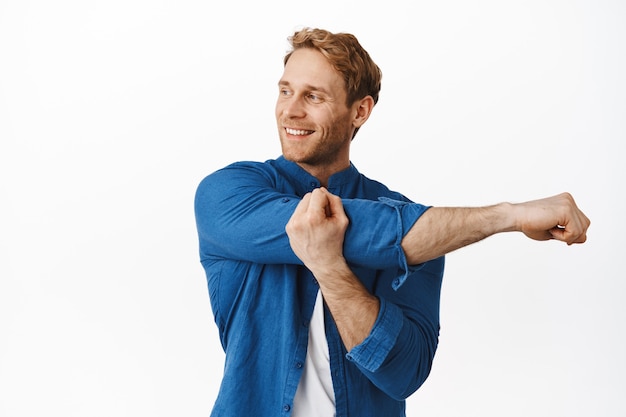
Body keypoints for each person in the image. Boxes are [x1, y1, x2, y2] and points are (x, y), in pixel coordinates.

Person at [194, 27, 590, 417]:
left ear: (360, 111)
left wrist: (330, 268)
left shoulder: (426, 231)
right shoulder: (229, 195)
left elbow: (404, 375)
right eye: (285, 91)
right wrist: (511, 215)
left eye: (313, 96)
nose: (291, 110)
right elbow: (378, 233)